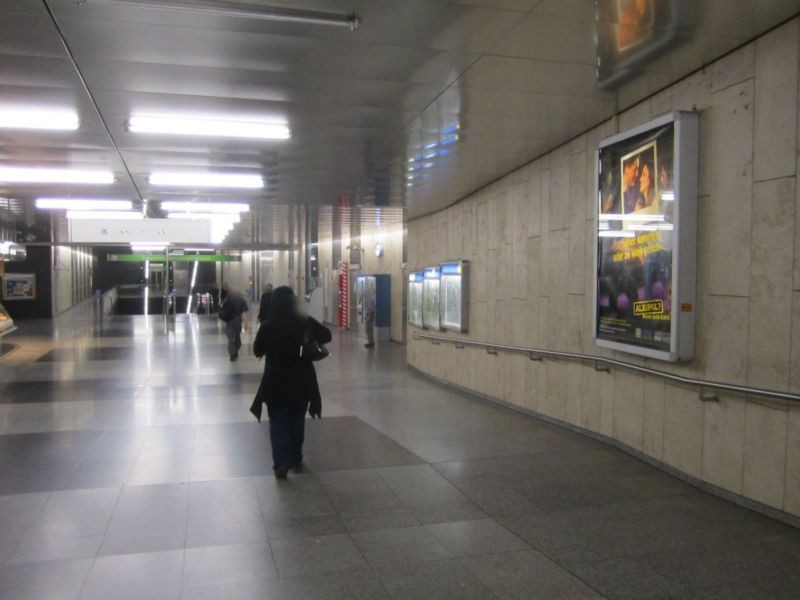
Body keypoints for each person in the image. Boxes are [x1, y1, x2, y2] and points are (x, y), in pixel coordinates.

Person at [251, 286, 331, 479]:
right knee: (297, 421)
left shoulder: (268, 326)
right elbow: (326, 335)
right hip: (301, 380)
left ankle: (280, 463)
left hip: (275, 381)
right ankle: (295, 457)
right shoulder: (304, 322)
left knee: (278, 424)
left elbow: (257, 350)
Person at [219, 287, 249, 361]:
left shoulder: (227, 299)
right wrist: (245, 323)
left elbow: (222, 309)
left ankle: (232, 353)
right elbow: (244, 313)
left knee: (230, 338)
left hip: (229, 320)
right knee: (237, 337)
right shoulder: (242, 301)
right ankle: (234, 352)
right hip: (238, 320)